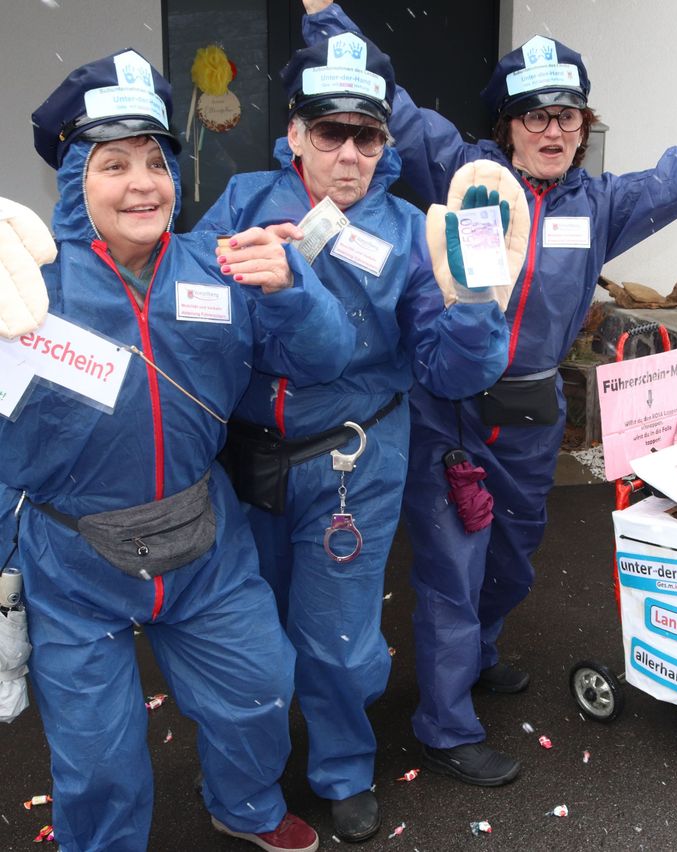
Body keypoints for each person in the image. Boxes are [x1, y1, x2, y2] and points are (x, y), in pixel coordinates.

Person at [301, 0, 677, 785]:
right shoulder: (460, 170)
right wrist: (324, 15)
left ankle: (476, 657)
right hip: (451, 413)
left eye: (568, 117)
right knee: (452, 570)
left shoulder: (603, 206)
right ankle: (443, 723)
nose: (553, 132)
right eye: (535, 116)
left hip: (534, 418)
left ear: (584, 126)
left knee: (510, 563)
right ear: (507, 124)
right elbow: (393, 102)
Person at [0, 48, 357, 852]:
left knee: (261, 688)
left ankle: (246, 806)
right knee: (97, 755)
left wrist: (298, 293)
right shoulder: (27, 285)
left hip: (205, 541)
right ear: (72, 182)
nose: (142, 184)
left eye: (156, 162)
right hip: (72, 558)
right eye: (113, 163)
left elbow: (326, 358)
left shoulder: (223, 263)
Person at [194, 33, 510, 843]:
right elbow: (187, 308)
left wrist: (474, 305)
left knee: (337, 637)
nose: (347, 152)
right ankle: (255, 778)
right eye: (328, 131)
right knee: (247, 633)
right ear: (294, 134)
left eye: (365, 135)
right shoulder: (241, 203)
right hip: (247, 457)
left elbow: (448, 370)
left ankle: (341, 766)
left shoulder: (411, 233)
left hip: (352, 461)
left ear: (384, 144)